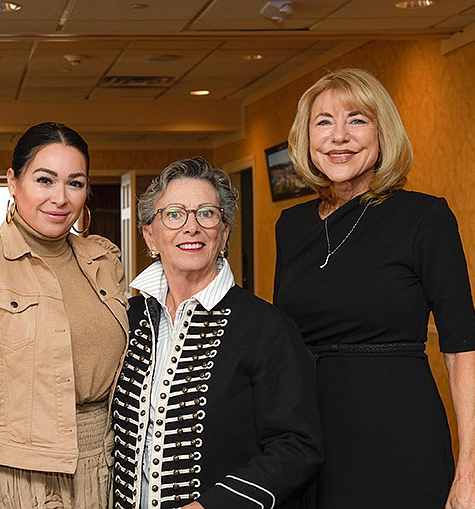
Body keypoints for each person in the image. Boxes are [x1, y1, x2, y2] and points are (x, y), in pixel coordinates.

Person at [274, 68, 475, 509]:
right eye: (324, 122)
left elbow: (461, 348)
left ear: (382, 132)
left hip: (399, 437)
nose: (339, 137)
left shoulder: (425, 218)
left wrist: (473, 467)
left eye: (357, 120)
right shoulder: (291, 226)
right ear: (306, 138)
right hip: (309, 440)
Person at [0, 121, 128, 509]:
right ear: (13, 182)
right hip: (12, 482)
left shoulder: (104, 260)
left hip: (104, 475)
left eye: (75, 183)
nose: (61, 198)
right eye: (44, 180)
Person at [112, 156, 323, 509]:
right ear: (150, 234)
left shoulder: (268, 327)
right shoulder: (126, 319)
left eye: (206, 213)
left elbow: (297, 446)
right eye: (174, 214)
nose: (191, 227)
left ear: (224, 233)